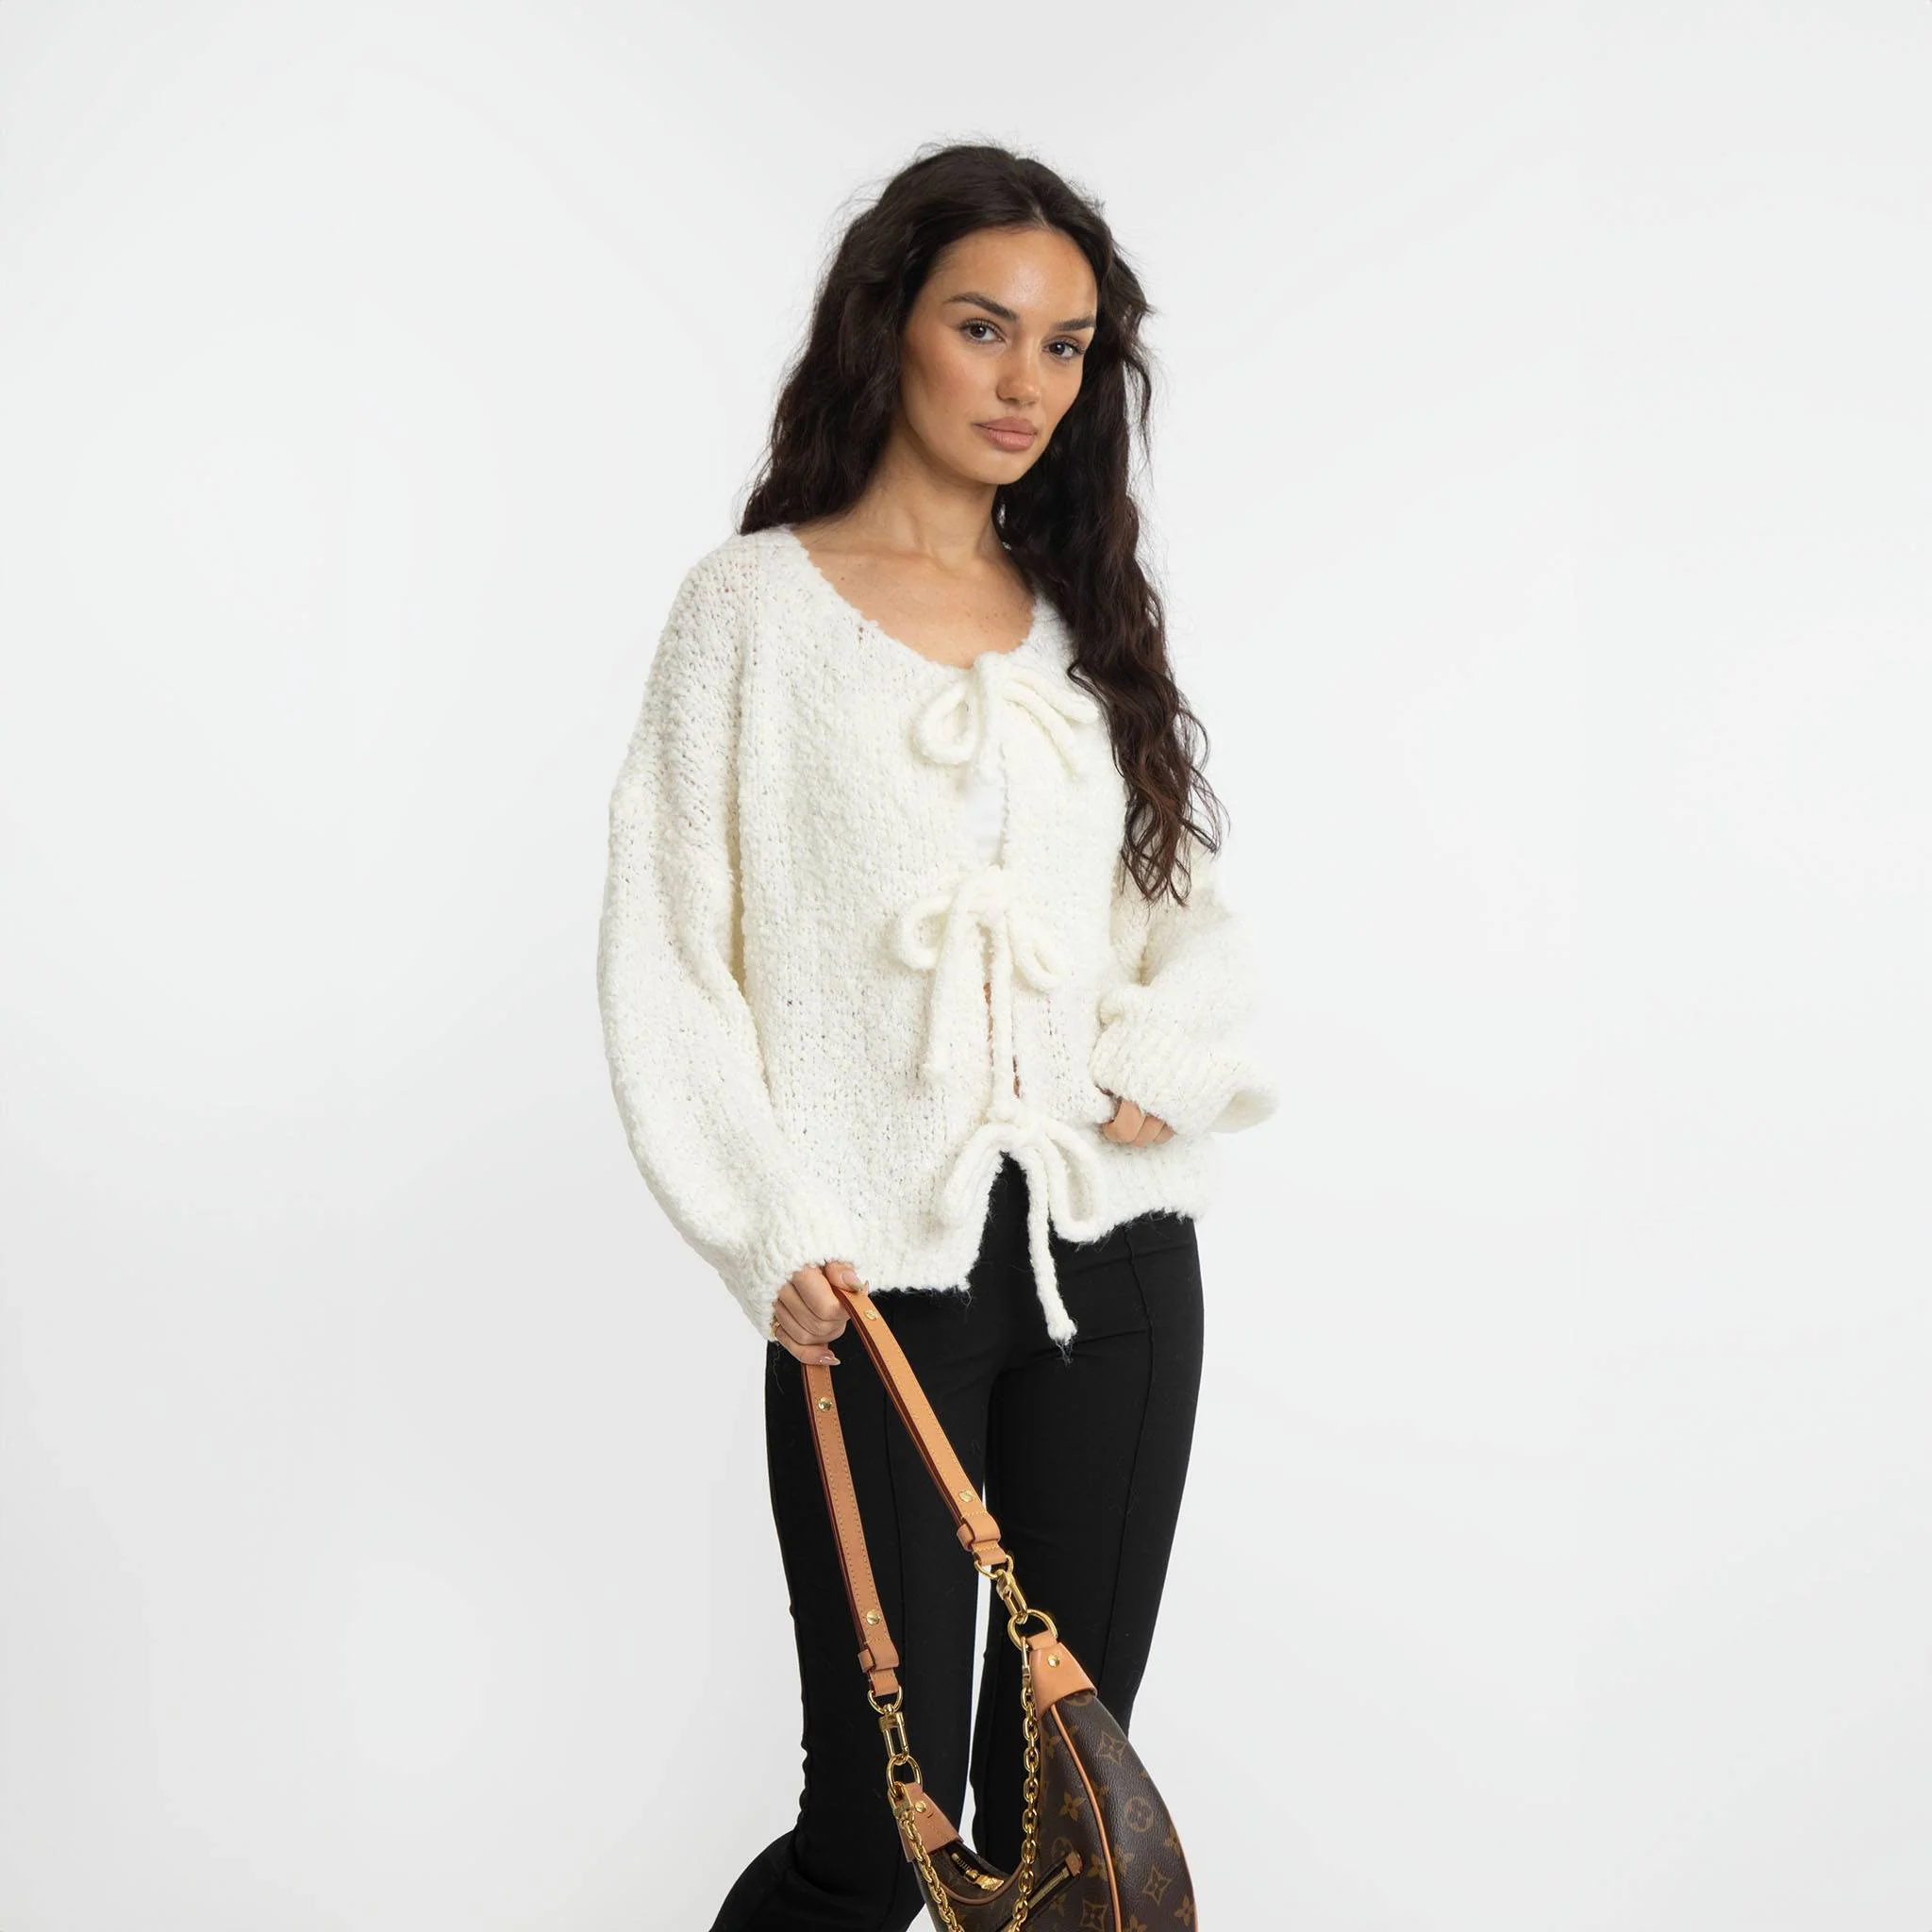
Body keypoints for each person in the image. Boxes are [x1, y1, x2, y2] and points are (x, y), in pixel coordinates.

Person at [595, 141, 1277, 1932]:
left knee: (1072, 1815)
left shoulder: (1087, 619)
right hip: (872, 1286)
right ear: (888, 322)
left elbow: (1190, 917)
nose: (1026, 382)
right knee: (876, 1836)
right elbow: (670, 955)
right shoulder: (748, 613)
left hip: (1114, 1269)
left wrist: (1162, 1058)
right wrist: (761, 1223)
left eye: (1066, 346)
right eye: (985, 328)